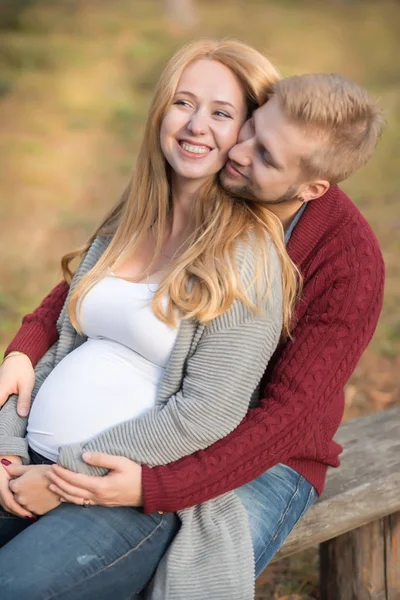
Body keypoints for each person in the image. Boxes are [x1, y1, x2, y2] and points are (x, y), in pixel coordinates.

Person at [0, 69, 385, 597]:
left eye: (267, 156)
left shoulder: (346, 261)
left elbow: (287, 419)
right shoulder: (216, 188)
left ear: (311, 187)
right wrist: (26, 347)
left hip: (266, 458)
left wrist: (158, 487)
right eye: (250, 128)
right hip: (142, 433)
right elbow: (108, 280)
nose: (241, 151)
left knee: (173, 573)